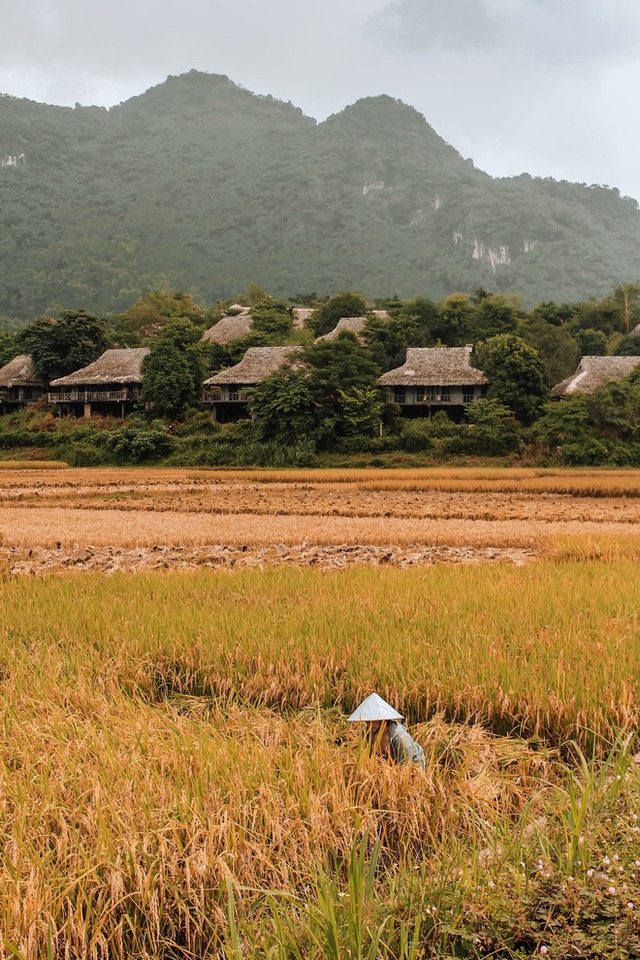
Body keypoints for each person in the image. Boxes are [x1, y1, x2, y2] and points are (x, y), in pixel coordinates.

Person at [348, 693, 425, 770]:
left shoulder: (402, 739)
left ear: (383, 720)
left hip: (411, 769)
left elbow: (406, 769)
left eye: (372, 720)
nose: (368, 724)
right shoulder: (367, 733)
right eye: (367, 720)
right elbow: (360, 757)